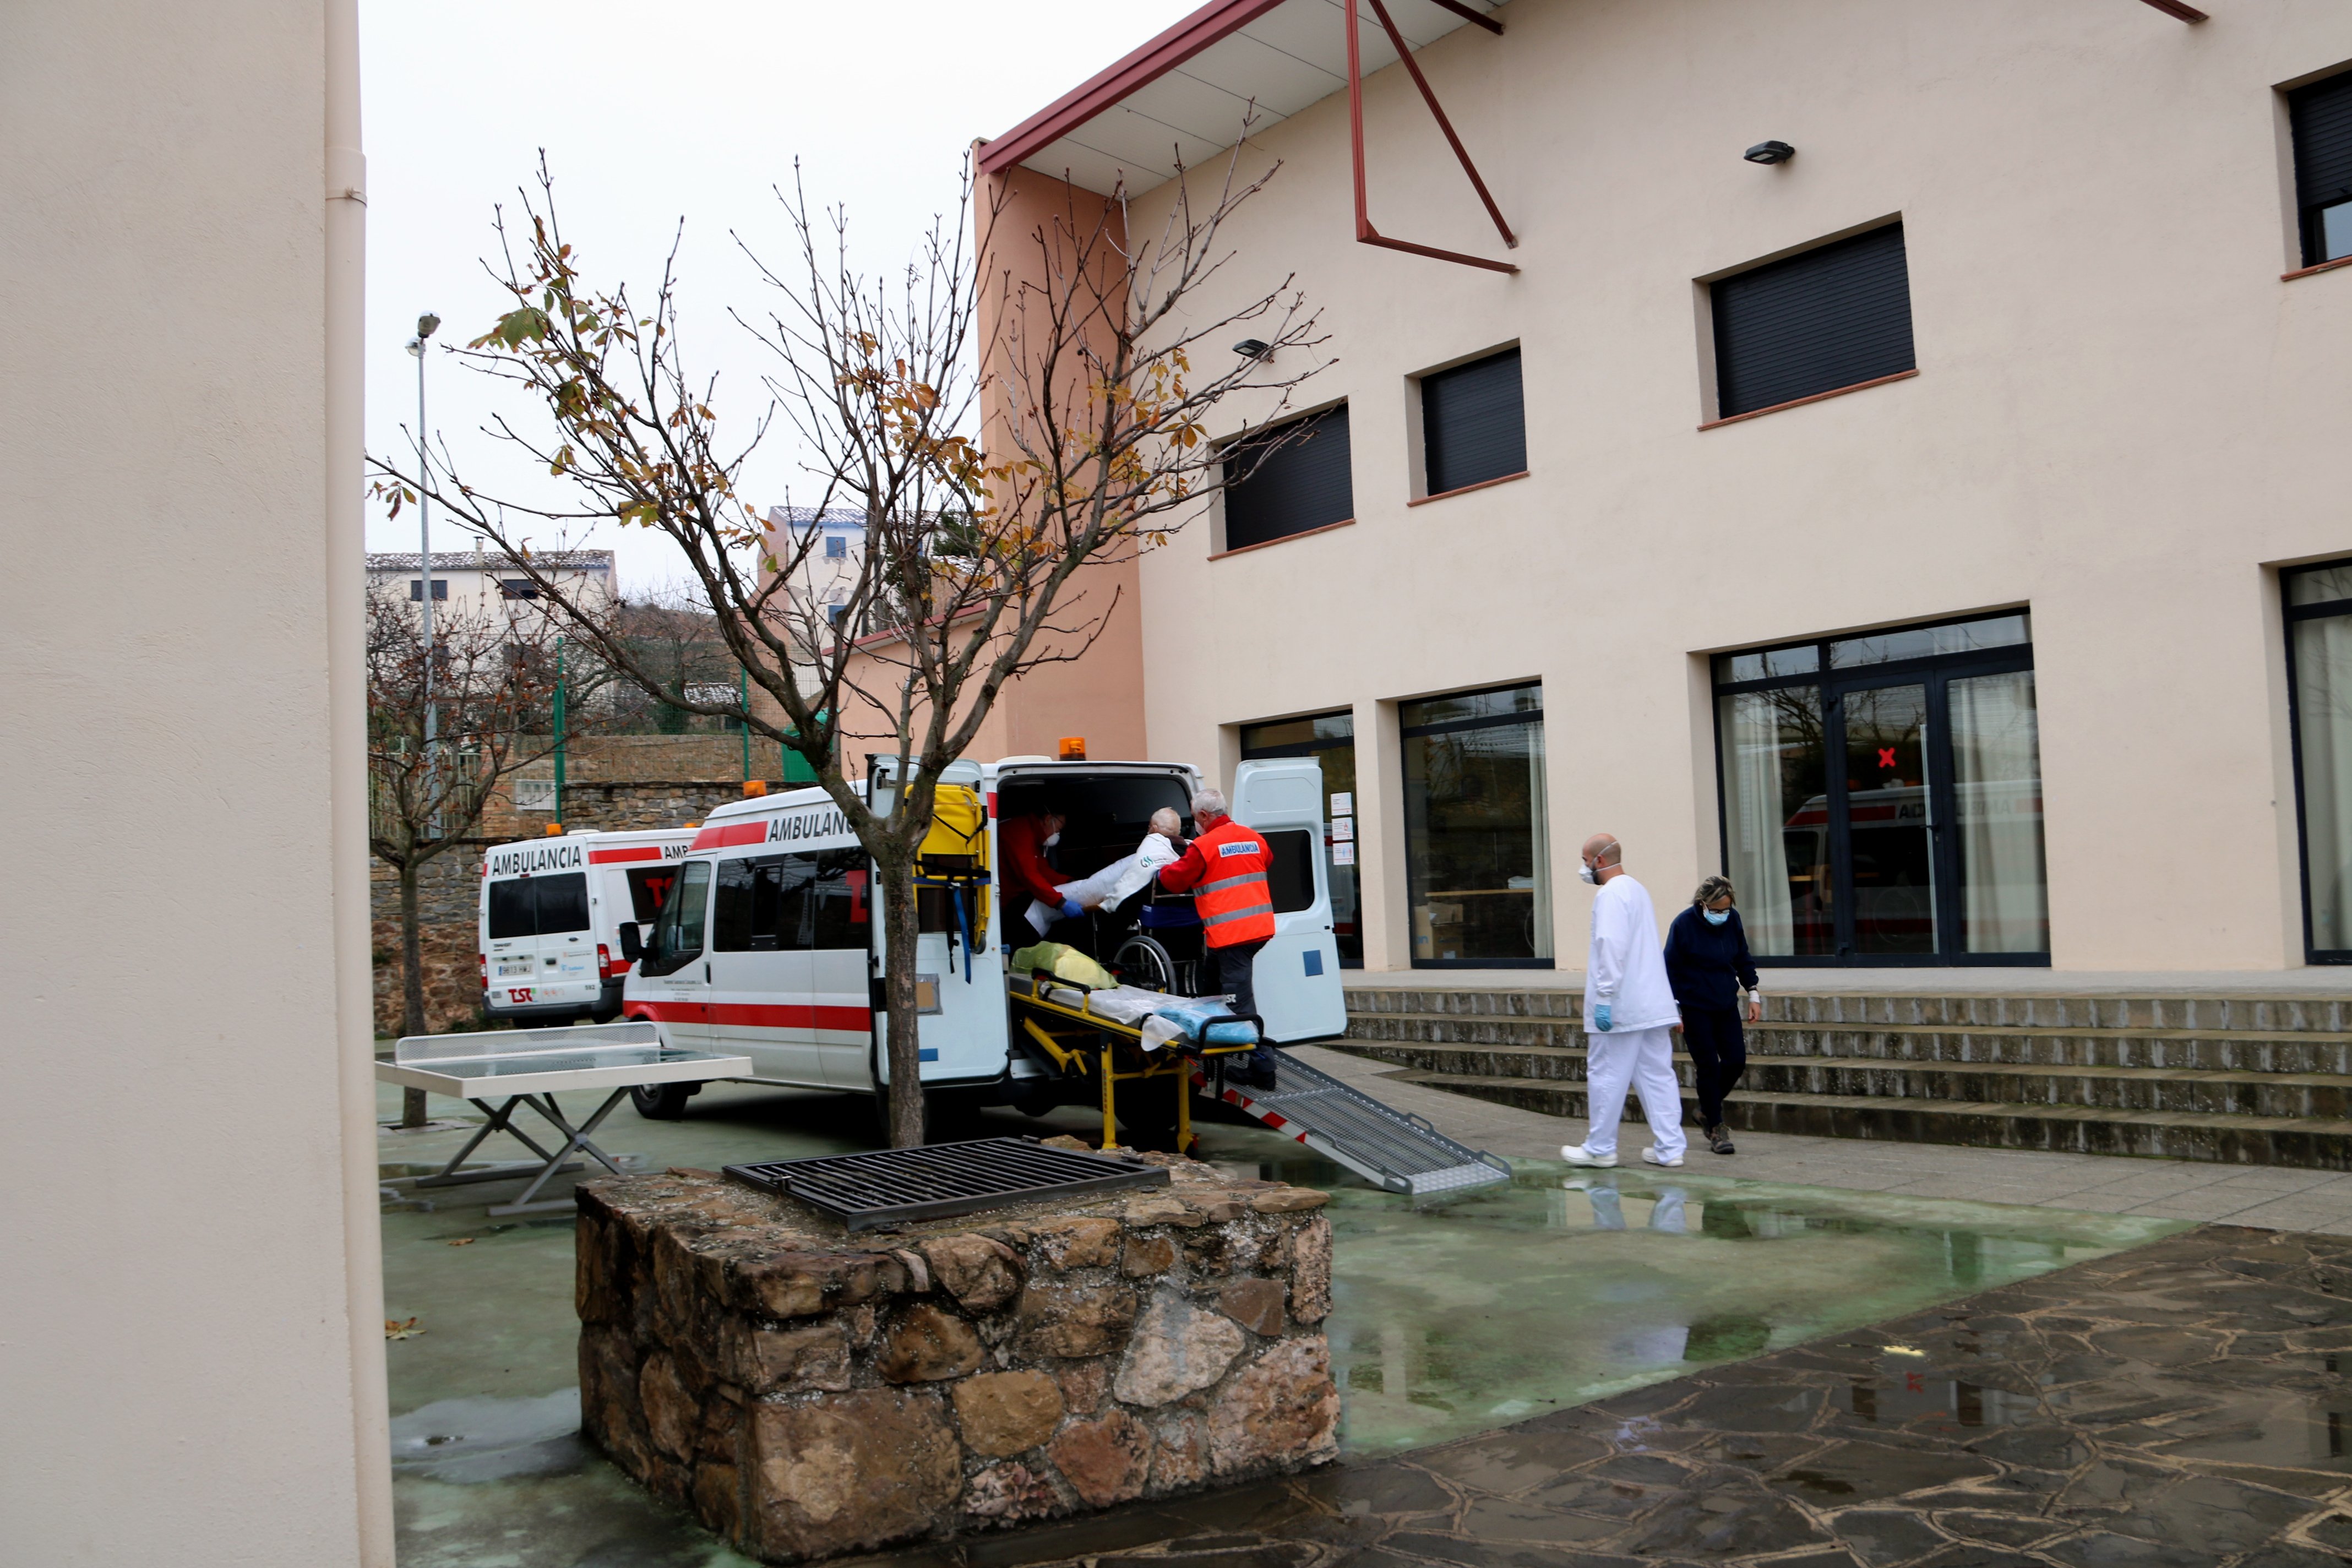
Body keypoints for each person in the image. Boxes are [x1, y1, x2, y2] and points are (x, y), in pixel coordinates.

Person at [1561, 832, 1689, 1169]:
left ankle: (1600, 1149)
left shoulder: (1611, 895)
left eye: (1585, 859)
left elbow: (1611, 946)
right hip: (1652, 1005)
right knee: (1657, 1076)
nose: (1584, 867)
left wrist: (1604, 997)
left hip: (1622, 1006)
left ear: (1599, 860)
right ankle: (1670, 1148)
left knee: (1606, 1074)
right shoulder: (1637, 889)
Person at [1156, 787, 1280, 1088]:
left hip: (1233, 934)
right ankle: (1213, 1039)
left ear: (1203, 816)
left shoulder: (1204, 846)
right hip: (1256, 929)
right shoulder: (1254, 838)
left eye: (1195, 817)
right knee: (1210, 981)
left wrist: (1159, 871)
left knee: (1238, 1002)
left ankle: (1263, 1069)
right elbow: (1267, 861)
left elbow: (1174, 881)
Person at [1664, 873, 1761, 1157]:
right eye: (1716, 910)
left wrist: (1753, 992)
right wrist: (1674, 1007)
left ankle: (1706, 1109)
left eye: (1726, 909)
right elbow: (1669, 968)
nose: (1722, 915)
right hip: (1695, 1006)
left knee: (1735, 1061)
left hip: (1725, 1002)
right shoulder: (1683, 925)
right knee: (1707, 1065)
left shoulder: (1733, 920)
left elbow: (1742, 956)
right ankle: (1716, 1128)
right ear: (1702, 904)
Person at [1035, 808, 1188, 929]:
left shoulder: (1146, 853)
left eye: (1149, 826)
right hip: (1175, 915)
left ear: (1153, 829)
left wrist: (1109, 903)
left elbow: (1122, 882)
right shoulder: (1187, 854)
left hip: (1125, 906)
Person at [1001, 807, 1089, 940]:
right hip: (1007, 902)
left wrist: (1069, 882)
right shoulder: (1020, 832)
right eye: (1059, 829)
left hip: (1015, 898)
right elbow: (1029, 876)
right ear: (1048, 819)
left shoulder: (1033, 836)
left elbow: (1043, 871)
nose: (1058, 834)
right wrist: (1060, 903)